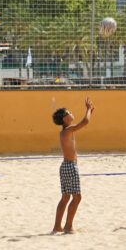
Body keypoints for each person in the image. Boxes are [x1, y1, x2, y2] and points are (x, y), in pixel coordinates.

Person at [52, 97, 94, 234]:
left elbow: (83, 122)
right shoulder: (68, 130)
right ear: (65, 119)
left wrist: (90, 111)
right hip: (70, 166)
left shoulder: (65, 131)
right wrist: (87, 109)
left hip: (65, 166)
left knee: (65, 197)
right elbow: (85, 122)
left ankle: (57, 226)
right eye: (68, 112)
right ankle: (68, 227)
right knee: (77, 197)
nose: (71, 112)